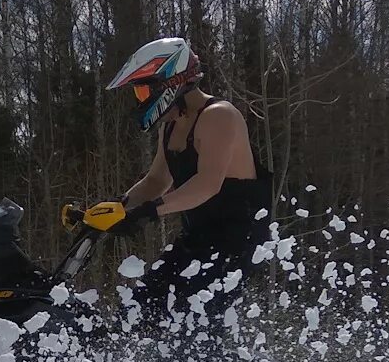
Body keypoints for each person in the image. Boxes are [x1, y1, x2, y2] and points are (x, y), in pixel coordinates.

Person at [95, 37, 271, 325]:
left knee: (191, 327)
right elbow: (155, 181)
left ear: (169, 82)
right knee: (139, 312)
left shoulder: (219, 116)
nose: (141, 101)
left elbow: (208, 184)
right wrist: (117, 208)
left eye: (142, 91)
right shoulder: (172, 127)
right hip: (198, 237)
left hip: (236, 241)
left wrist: (151, 211)